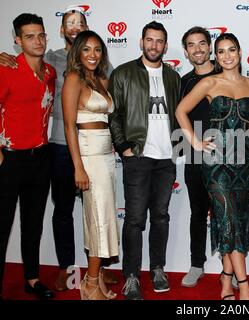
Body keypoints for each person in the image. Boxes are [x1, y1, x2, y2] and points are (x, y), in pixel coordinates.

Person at [0, 6, 118, 291]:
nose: (75, 26)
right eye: (69, 23)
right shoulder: (47, 59)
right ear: (63, 30)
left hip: (86, 150)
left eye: (81, 22)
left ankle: (96, 269)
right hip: (58, 148)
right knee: (63, 209)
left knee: (97, 210)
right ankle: (67, 268)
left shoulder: (94, 67)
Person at [176, 33, 249, 300]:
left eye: (232, 50)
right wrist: (195, 142)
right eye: (221, 51)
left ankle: (226, 280)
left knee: (238, 220)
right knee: (226, 220)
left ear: (239, 52)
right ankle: (244, 285)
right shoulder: (208, 82)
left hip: (242, 164)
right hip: (215, 164)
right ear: (216, 55)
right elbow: (181, 111)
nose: (227, 56)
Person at [108, 21, 181, 300]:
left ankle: (158, 268)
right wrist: (124, 146)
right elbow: (113, 113)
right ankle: (131, 276)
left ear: (164, 44)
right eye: (149, 40)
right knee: (135, 219)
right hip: (137, 157)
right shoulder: (124, 73)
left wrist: (179, 146)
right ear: (141, 42)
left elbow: (180, 114)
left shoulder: (173, 76)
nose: (154, 46)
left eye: (159, 41)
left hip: (165, 159)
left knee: (160, 217)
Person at [0, 13, 56, 300]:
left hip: (41, 158)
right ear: (17, 40)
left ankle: (31, 279)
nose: (38, 40)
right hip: (9, 160)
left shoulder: (50, 73)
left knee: (33, 223)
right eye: (30, 36)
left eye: (41, 34)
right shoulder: (5, 69)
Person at [62, 30, 119, 300]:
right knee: (96, 220)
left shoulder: (101, 79)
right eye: (86, 49)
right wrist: (78, 167)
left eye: (97, 49)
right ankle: (90, 283)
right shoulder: (73, 79)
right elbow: (69, 126)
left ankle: (95, 279)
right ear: (78, 53)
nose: (92, 54)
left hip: (107, 155)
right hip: (88, 155)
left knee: (103, 218)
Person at [179, 26, 215, 288]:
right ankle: (196, 264)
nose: (198, 49)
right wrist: (194, 144)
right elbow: (179, 119)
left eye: (202, 43)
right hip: (194, 156)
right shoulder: (184, 81)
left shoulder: (226, 74)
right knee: (197, 212)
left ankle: (231, 266)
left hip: (226, 156)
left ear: (210, 46)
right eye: (192, 45)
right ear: (186, 51)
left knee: (228, 213)